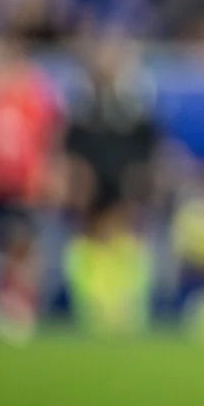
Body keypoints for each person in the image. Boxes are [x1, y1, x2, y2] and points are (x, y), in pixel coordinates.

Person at [63, 35, 164, 337]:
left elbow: (148, 147)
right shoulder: (85, 109)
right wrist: (76, 180)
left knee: (124, 239)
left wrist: (142, 181)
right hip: (93, 184)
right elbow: (73, 148)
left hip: (122, 182)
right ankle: (95, 306)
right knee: (92, 240)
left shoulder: (132, 107)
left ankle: (127, 307)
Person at [0, 36, 67, 338]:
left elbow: (49, 136)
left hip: (25, 181)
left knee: (23, 243)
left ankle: (22, 304)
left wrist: (47, 171)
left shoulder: (36, 94)